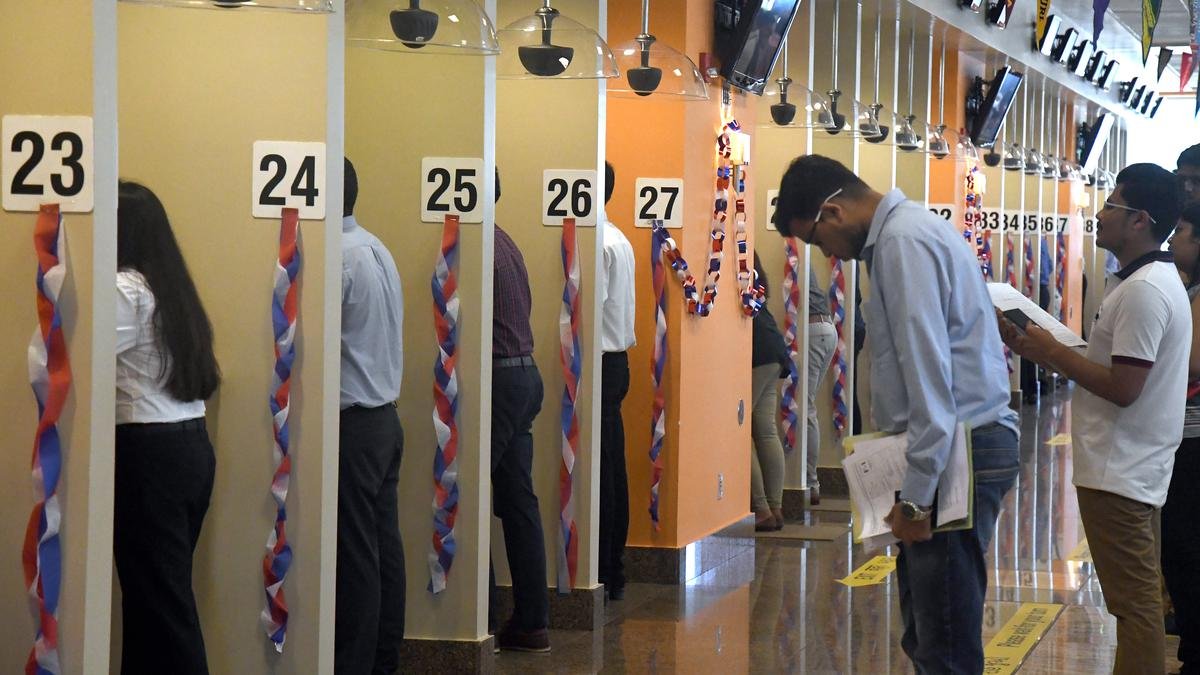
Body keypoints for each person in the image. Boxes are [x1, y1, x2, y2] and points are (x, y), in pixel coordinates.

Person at [774, 155, 1020, 674]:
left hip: (957, 450)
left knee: (943, 638)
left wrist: (915, 497)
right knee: (929, 630)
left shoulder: (902, 244)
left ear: (833, 212)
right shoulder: (904, 235)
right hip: (954, 443)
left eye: (817, 240)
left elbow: (929, 375)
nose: (828, 254)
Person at [1000, 163, 1189, 675]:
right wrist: (1042, 349)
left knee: (1135, 607)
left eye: (1111, 205)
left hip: (1120, 467)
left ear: (1140, 220)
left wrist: (1052, 352)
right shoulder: (1139, 281)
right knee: (1136, 601)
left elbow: (1125, 388)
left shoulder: (1146, 290)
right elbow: (1113, 367)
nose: (1099, 213)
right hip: (1123, 464)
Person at [114, 181, 221, 675]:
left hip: (148, 455)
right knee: (153, 602)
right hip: (187, 447)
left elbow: (69, 356)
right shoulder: (168, 288)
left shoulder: (125, 289)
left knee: (161, 607)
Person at [336, 158, 406, 675]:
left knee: (357, 555)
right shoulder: (377, 249)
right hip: (383, 418)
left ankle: (354, 664)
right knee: (383, 546)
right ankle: (383, 658)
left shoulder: (338, 258)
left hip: (355, 425)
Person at [488, 168, 551, 653]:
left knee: (466, 494)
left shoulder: (477, 247)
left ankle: (481, 614)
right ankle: (532, 621)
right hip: (526, 374)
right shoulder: (505, 241)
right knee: (518, 502)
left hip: (500, 379)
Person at [1164, 204, 1200, 674]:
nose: (1173, 240)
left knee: (1186, 546)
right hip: (1183, 432)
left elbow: (1190, 363)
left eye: (1183, 232)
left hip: (1194, 438)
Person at [598, 161, 636, 601]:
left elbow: (590, 311)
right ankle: (614, 566)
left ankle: (606, 566)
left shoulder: (600, 244)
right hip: (618, 360)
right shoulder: (619, 238)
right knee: (613, 464)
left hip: (603, 362)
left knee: (603, 469)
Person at [750, 253, 791, 531]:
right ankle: (775, 507)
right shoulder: (754, 274)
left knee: (738, 432)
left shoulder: (727, 268)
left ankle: (761, 509)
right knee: (766, 431)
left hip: (756, 353)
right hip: (773, 348)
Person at [805, 266, 837, 504]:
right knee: (807, 407)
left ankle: (810, 482)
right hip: (826, 329)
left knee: (805, 408)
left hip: (813, 330)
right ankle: (810, 481)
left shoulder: (791, 250)